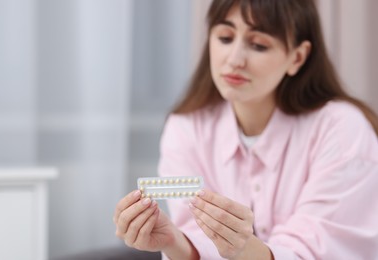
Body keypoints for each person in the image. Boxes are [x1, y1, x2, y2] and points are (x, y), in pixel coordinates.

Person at [113, 0, 378, 259]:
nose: (235, 59)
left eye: (258, 44)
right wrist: (175, 242)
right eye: (225, 38)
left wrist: (245, 249)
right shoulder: (187, 128)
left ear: (297, 57)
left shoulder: (343, 132)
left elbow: (320, 250)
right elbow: (194, 235)